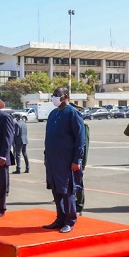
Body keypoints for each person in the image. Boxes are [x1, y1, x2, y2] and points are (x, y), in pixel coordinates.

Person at [43, 88, 86, 233]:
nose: (54, 98)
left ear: (65, 96)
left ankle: (70, 220)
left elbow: (80, 139)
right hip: (52, 160)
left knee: (67, 191)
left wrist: (77, 160)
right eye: (53, 96)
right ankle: (60, 218)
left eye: (57, 96)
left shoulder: (72, 113)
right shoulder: (53, 114)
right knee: (56, 190)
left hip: (67, 161)